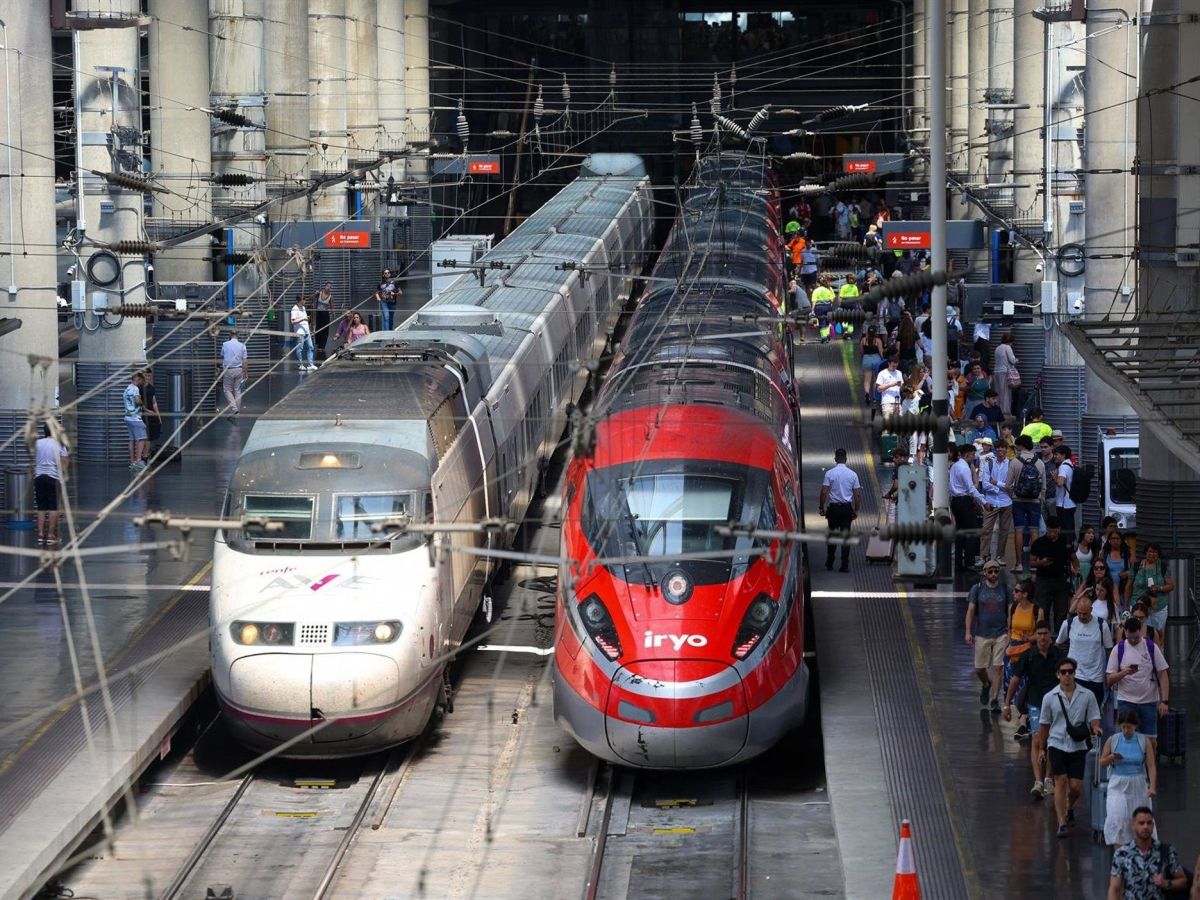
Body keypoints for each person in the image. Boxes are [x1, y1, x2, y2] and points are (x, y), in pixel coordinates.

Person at [1038, 655, 1102, 837]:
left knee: (1076, 787)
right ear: (1058, 674)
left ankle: (1068, 806)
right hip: (1056, 743)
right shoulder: (1049, 697)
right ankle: (1061, 823)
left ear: (1074, 673)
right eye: (1063, 672)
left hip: (1078, 745)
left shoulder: (1087, 695)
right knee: (1060, 780)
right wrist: (1042, 748)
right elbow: (1044, 724)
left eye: (1070, 672)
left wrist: (1096, 728)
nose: (1067, 675)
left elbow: (1094, 716)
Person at [1004, 623, 1065, 796]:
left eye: (1045, 633)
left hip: (1055, 704)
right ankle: (1038, 782)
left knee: (1052, 741)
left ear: (1050, 635)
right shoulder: (1028, 655)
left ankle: (1048, 779)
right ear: (1036, 635)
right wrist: (1007, 704)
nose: (1042, 637)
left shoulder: (1059, 655)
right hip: (1036, 703)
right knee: (1037, 740)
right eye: (1039, 634)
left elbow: (1068, 679)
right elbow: (1015, 679)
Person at [1106, 615, 1171, 752]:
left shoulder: (1151, 647)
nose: (1133, 640)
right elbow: (1109, 679)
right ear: (1125, 632)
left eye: (1136, 637)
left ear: (1140, 631)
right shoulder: (1118, 649)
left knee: (1151, 741)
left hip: (1148, 701)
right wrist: (1123, 673)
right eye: (1130, 637)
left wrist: (1164, 701)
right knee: (1127, 739)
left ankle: (1150, 763)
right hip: (1126, 701)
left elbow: (1163, 674)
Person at [1100, 711, 1157, 849]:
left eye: (1129, 727)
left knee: (1139, 819)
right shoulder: (1113, 740)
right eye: (1123, 727)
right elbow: (1102, 762)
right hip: (1118, 783)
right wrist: (1111, 757)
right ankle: (1119, 854)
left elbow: (1151, 765)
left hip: (1138, 783)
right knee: (1117, 818)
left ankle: (1141, 852)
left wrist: (1152, 786)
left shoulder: (1144, 741)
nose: (1126, 730)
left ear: (1135, 726)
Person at [1107, 808, 1187, 899]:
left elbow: (1183, 881)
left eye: (1149, 823)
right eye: (1141, 823)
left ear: (1153, 825)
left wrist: (1166, 883)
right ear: (1133, 825)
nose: (1145, 827)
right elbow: (1114, 889)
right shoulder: (1122, 853)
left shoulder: (1166, 851)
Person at [965, 559, 1013, 713]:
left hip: (1001, 633)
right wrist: (968, 631)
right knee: (979, 668)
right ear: (984, 573)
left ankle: (994, 700)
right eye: (990, 571)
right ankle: (986, 684)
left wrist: (1010, 631)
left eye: (996, 571)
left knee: (998, 667)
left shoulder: (1006, 589)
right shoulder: (977, 589)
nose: (993, 574)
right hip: (982, 634)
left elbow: (1010, 611)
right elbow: (971, 611)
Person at [1056, 595, 1113, 709]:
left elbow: (1109, 649)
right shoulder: (1068, 623)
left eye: (1085, 613)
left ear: (1091, 610)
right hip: (1074, 675)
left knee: (1094, 711)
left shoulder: (1101, 625)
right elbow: (1058, 644)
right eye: (1079, 613)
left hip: (1095, 677)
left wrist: (1109, 672)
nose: (1082, 616)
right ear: (1076, 610)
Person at [1006, 580, 1044, 739]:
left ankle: (1024, 722)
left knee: (1025, 686)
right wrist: (1009, 645)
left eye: (1017, 591)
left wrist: (1029, 638)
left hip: (1028, 650)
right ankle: (1023, 720)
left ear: (1025, 594)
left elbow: (1041, 633)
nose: (1014, 593)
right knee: (1014, 686)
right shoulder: (1013, 607)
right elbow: (1009, 628)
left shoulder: (1037, 610)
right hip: (1013, 651)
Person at [818, 449, 862, 573]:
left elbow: (824, 492)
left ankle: (830, 563)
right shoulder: (853, 474)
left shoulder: (829, 474)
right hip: (846, 509)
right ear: (846, 459)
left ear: (835, 459)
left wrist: (821, 507)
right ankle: (844, 565)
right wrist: (856, 510)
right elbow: (857, 495)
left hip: (834, 509)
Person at [1007, 434, 1046, 574]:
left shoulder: (1014, 462)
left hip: (1018, 500)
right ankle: (1034, 563)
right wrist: (1041, 500)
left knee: (1018, 530)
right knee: (1034, 531)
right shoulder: (1040, 462)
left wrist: (1012, 495)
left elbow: (1007, 485)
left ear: (1021, 446)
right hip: (1035, 501)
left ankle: (1018, 564)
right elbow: (1044, 487)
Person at [950, 443, 991, 573]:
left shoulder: (955, 466)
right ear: (967, 454)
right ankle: (969, 562)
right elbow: (971, 488)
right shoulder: (964, 468)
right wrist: (983, 502)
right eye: (973, 454)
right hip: (964, 501)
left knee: (960, 532)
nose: (974, 457)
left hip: (955, 501)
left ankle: (958, 563)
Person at [1030, 515, 1074, 630]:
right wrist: (1041, 562)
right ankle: (1043, 633)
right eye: (1049, 531)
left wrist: (1075, 568)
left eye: (1054, 531)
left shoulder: (1065, 541)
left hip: (1060, 578)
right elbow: (1031, 562)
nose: (1052, 534)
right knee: (1042, 610)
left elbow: (1073, 558)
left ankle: (1060, 635)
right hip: (1043, 579)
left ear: (1059, 529)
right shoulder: (1039, 542)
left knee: (1061, 611)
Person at [1125, 543, 1174, 645]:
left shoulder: (1163, 566)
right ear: (1145, 552)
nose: (1152, 554)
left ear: (1158, 554)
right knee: (1138, 632)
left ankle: (1158, 652)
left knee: (1159, 633)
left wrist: (1159, 588)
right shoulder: (1136, 566)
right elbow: (1128, 587)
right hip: (1138, 606)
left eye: (1155, 552)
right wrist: (1126, 606)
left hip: (1158, 607)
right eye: (1150, 551)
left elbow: (1171, 585)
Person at [978, 438, 1012, 565]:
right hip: (991, 501)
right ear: (995, 449)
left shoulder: (1011, 464)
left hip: (1006, 502)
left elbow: (1011, 485)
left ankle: (999, 556)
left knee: (1004, 531)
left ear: (1006, 449)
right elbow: (985, 484)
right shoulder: (989, 463)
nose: (1000, 450)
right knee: (986, 530)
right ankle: (983, 556)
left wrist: (996, 483)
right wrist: (1001, 487)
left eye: (1003, 447)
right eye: (998, 447)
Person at [34, 423, 67, 546]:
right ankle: (51, 535)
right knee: (53, 507)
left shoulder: (37, 443)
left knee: (41, 507)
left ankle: (40, 534)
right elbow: (64, 464)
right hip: (53, 477)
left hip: (39, 477)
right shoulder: (60, 444)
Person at [122, 371, 147, 471]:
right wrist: (141, 402)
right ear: (139, 379)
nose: (142, 382)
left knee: (131, 439)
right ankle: (138, 461)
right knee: (142, 438)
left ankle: (132, 462)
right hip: (135, 418)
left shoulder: (127, 389)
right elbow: (137, 400)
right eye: (142, 380)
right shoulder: (135, 389)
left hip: (128, 417)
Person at [1053, 445, 1078, 540]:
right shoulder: (1070, 464)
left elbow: (1060, 483)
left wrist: (1055, 478)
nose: (1055, 456)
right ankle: (1071, 544)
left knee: (1065, 530)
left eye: (1057, 454)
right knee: (1070, 528)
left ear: (1063, 455)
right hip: (1071, 503)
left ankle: (1067, 546)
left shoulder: (1063, 467)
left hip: (1064, 504)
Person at [221, 329, 248, 415]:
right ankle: (237, 412)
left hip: (228, 370)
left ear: (230, 334)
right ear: (238, 335)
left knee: (227, 390)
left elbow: (222, 355)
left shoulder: (225, 344)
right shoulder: (242, 345)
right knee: (237, 390)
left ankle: (234, 408)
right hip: (239, 370)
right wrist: (245, 372)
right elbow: (245, 361)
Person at [992, 332, 1019, 415]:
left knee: (998, 392)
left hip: (996, 372)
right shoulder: (1008, 347)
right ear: (1010, 341)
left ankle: (997, 409)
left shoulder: (997, 348)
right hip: (1004, 372)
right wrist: (1017, 360)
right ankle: (1005, 411)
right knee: (1006, 393)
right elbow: (1012, 360)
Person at [138, 368, 162, 462]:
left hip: (151, 415)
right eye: (146, 375)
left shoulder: (152, 388)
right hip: (142, 415)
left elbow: (154, 402)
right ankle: (140, 456)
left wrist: (158, 416)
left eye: (149, 376)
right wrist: (146, 410)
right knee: (143, 437)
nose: (148, 377)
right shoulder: (139, 388)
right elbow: (138, 402)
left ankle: (145, 455)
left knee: (149, 437)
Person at [859, 326, 884, 404]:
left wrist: (864, 358)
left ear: (868, 332)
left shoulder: (863, 340)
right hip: (876, 360)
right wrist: (883, 360)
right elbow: (881, 352)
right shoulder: (878, 340)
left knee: (867, 380)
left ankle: (867, 394)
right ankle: (874, 397)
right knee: (876, 379)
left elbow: (861, 351)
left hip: (866, 360)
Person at [290, 296, 316, 372]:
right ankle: (300, 365)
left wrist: (307, 319)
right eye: (303, 300)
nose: (305, 301)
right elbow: (293, 321)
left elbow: (304, 320)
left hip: (306, 331)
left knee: (310, 347)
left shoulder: (303, 308)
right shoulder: (294, 309)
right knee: (299, 349)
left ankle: (310, 364)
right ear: (299, 301)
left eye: (305, 300)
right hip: (300, 332)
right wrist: (303, 319)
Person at [313, 281, 335, 360]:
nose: (328, 288)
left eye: (330, 287)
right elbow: (311, 298)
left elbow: (332, 307)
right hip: (318, 313)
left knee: (325, 330)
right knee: (318, 329)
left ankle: (322, 346)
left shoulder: (330, 297)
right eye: (327, 286)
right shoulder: (319, 293)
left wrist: (333, 315)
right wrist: (315, 294)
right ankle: (318, 344)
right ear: (324, 286)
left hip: (325, 314)